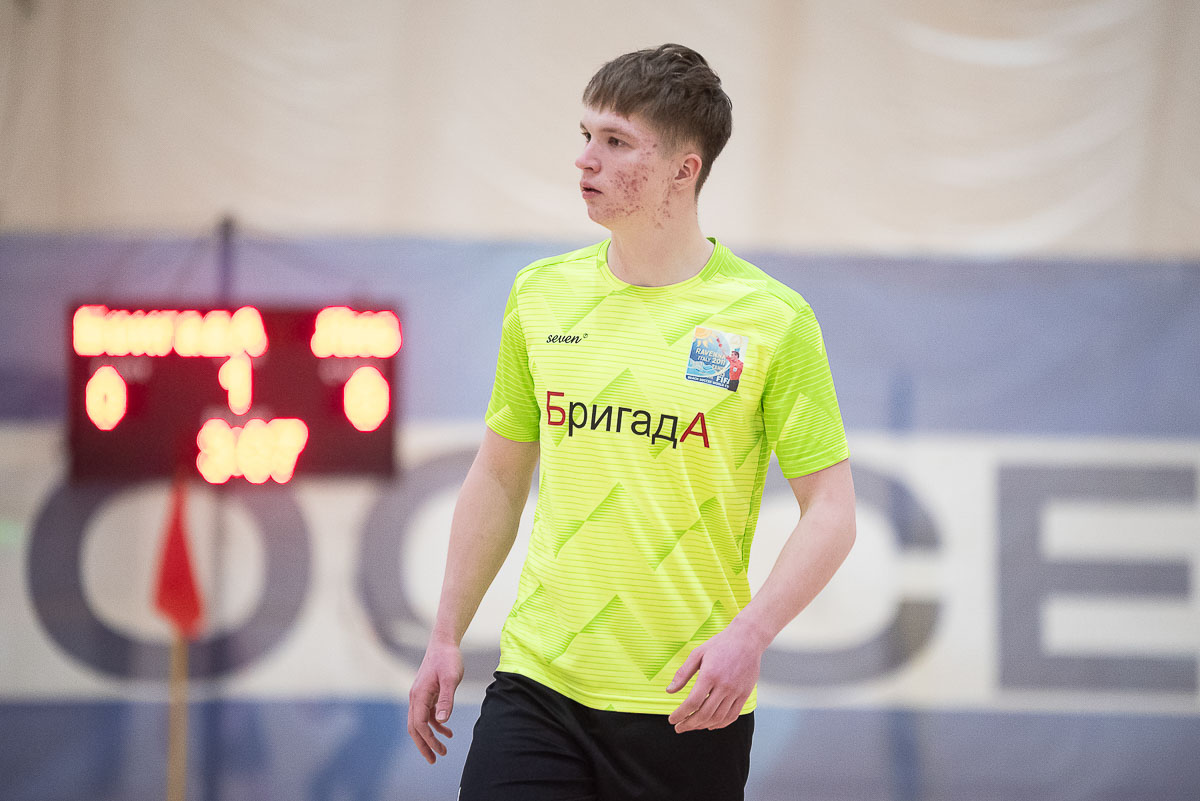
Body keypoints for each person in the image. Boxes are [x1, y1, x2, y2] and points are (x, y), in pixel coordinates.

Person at [407, 43, 856, 801]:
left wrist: (750, 636)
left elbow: (833, 512)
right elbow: (499, 475)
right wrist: (446, 633)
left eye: (616, 142)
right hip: (538, 684)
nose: (586, 159)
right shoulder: (540, 295)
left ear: (684, 169)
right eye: (586, 135)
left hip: (686, 699)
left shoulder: (771, 320)